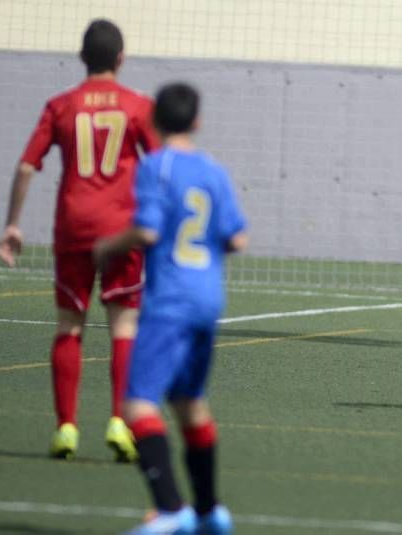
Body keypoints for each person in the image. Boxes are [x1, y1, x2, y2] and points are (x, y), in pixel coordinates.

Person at [0, 19, 161, 461]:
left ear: (82, 58)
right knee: (124, 326)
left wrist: (13, 223)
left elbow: (28, 165)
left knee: (69, 326)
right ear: (121, 59)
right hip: (121, 230)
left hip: (72, 228)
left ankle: (66, 427)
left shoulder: (60, 105)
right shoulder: (137, 106)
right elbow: (162, 166)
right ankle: (119, 421)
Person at [93, 82, 247, 535]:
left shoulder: (155, 167)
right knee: (189, 403)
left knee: (138, 404)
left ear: (154, 120)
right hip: (208, 300)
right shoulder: (214, 171)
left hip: (170, 301)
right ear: (197, 122)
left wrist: (106, 247)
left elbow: (147, 231)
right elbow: (237, 238)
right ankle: (208, 512)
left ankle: (169, 507)